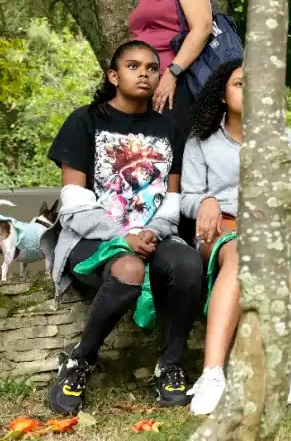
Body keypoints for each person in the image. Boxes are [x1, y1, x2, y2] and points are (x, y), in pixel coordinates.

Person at [46, 40, 202, 414]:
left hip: (153, 234)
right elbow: (74, 205)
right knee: (128, 267)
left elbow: (172, 200)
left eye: (152, 67)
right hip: (93, 235)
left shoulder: (171, 128)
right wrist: (123, 237)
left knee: (187, 264)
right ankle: (79, 362)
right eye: (133, 66)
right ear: (114, 76)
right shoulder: (85, 121)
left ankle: (171, 366)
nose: (144, 73)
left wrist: (155, 231)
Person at [179, 60, 291, 413]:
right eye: (241, 84)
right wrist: (205, 200)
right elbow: (188, 198)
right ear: (222, 95)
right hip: (221, 230)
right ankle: (212, 375)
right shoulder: (201, 141)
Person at [123, 0, 214, 136]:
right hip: (148, 84)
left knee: (170, 156)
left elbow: (202, 27)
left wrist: (172, 73)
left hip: (176, 83)